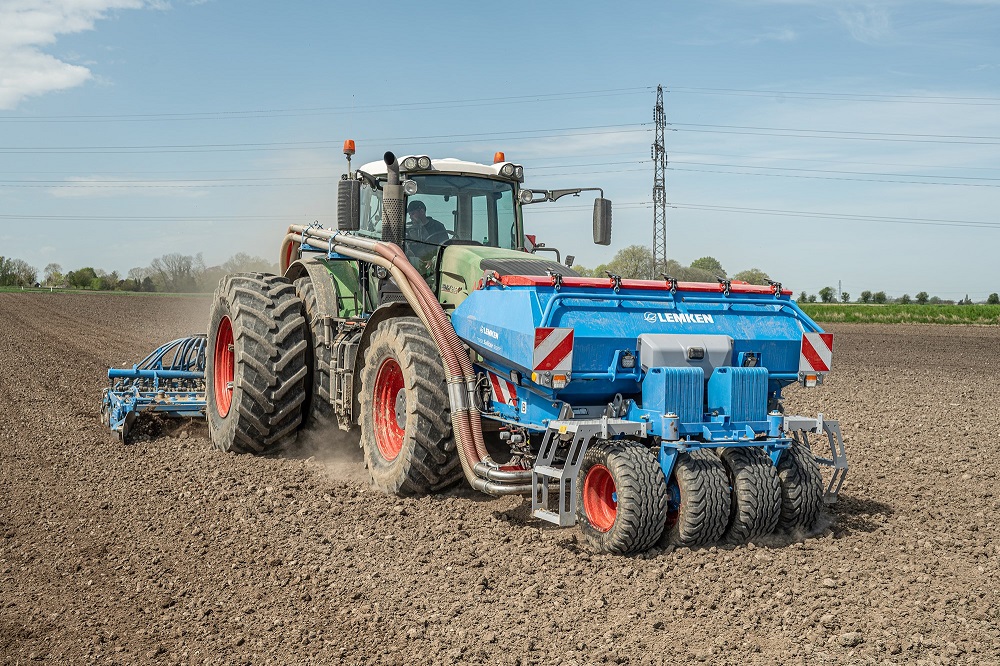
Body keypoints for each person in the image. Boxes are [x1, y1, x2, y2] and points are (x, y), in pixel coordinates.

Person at [405, 200, 449, 274]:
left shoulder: (437, 226)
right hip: (413, 265)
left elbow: (444, 247)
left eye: (413, 214)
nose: (410, 217)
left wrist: (434, 260)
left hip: (434, 265)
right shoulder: (408, 228)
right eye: (409, 214)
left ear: (422, 211)